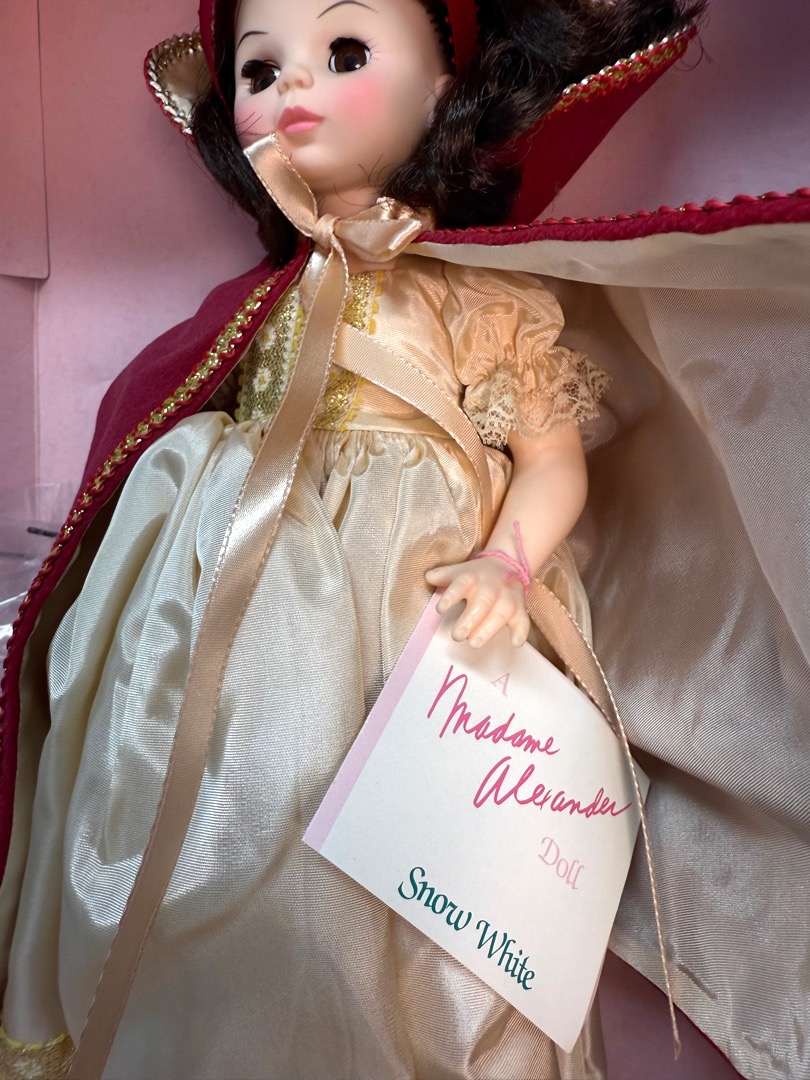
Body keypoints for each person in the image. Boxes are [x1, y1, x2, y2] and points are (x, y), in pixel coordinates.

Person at [3, 0, 807, 1078]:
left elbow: (552, 461)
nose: (293, 86)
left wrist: (508, 561)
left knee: (418, 881)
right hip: (239, 599)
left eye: (343, 52)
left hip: (416, 604)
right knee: (213, 808)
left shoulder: (478, 294)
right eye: (258, 70)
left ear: (440, 93)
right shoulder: (260, 302)